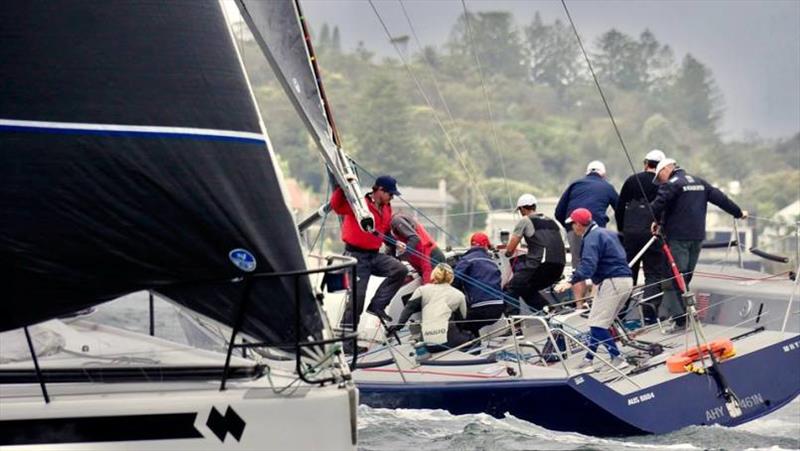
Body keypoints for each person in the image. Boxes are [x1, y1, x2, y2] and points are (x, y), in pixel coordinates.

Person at [650, 159, 748, 329]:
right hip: (697, 237)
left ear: (666, 169)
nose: (661, 181)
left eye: (660, 177)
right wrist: (738, 212)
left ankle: (681, 320)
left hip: (678, 238)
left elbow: (657, 206)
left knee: (675, 278)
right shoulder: (700, 182)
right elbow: (721, 199)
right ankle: (687, 314)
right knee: (686, 275)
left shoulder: (672, 184)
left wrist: (654, 220)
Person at [555, 208, 633, 370]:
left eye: (573, 224)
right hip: (625, 280)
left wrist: (570, 282)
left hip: (611, 282)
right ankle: (589, 359)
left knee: (597, 325)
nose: (572, 228)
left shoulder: (591, 238)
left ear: (579, 224)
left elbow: (588, 266)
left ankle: (618, 359)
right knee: (599, 324)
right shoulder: (607, 233)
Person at [331, 175, 408, 332]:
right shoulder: (359, 205)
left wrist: (395, 243)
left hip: (374, 255)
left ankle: (377, 306)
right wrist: (341, 186)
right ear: (379, 190)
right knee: (357, 300)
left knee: (400, 270)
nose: (392, 197)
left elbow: (384, 231)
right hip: (355, 257)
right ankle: (347, 343)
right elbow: (337, 207)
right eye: (390, 194)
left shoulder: (387, 207)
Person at [615, 149, 667, 323]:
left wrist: (622, 230)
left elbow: (619, 207)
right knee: (653, 272)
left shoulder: (631, 180)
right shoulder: (663, 183)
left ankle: (620, 312)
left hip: (630, 233)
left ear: (645, 163)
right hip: (653, 234)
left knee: (629, 271)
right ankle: (649, 311)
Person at [502, 194, 566, 314]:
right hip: (559, 267)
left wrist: (507, 252)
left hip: (541, 264)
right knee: (526, 288)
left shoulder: (525, 221)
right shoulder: (552, 221)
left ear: (522, 209)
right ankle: (549, 312)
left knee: (511, 288)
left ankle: (515, 326)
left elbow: (510, 250)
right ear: (534, 206)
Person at [388, 263, 472, 350]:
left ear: (433, 275)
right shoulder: (459, 294)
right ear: (451, 277)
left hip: (427, 344)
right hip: (450, 341)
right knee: (472, 338)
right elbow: (462, 320)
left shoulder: (421, 290)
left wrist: (398, 326)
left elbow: (408, 309)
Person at [555, 160, 619, 259]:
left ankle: (576, 272)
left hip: (574, 226)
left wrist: (570, 226)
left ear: (587, 172)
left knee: (577, 263)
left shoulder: (575, 184)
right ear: (603, 174)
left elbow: (558, 212)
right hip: (596, 227)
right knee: (594, 261)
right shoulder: (608, 187)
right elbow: (620, 210)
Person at [453, 232, 505, 336]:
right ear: (486, 246)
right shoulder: (491, 262)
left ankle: (472, 350)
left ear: (471, 245)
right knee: (473, 324)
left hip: (481, 309)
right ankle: (477, 346)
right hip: (499, 308)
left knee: (459, 324)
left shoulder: (466, 260)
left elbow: (455, 282)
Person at [389, 212, 445, 284]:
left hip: (429, 256)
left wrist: (404, 256)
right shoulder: (392, 230)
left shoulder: (397, 220)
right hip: (424, 259)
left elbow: (414, 238)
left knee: (430, 289)